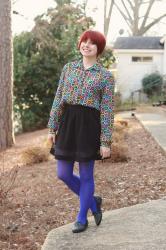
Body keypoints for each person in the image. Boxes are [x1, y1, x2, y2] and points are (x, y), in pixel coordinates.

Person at [47, 30, 115, 233]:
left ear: (99, 49)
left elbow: (108, 110)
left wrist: (105, 141)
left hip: (89, 126)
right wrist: (52, 127)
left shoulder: (105, 77)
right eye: (84, 41)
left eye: (92, 43)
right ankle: (93, 203)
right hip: (68, 123)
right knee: (63, 173)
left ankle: (82, 218)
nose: (87, 45)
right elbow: (59, 99)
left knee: (86, 175)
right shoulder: (69, 68)